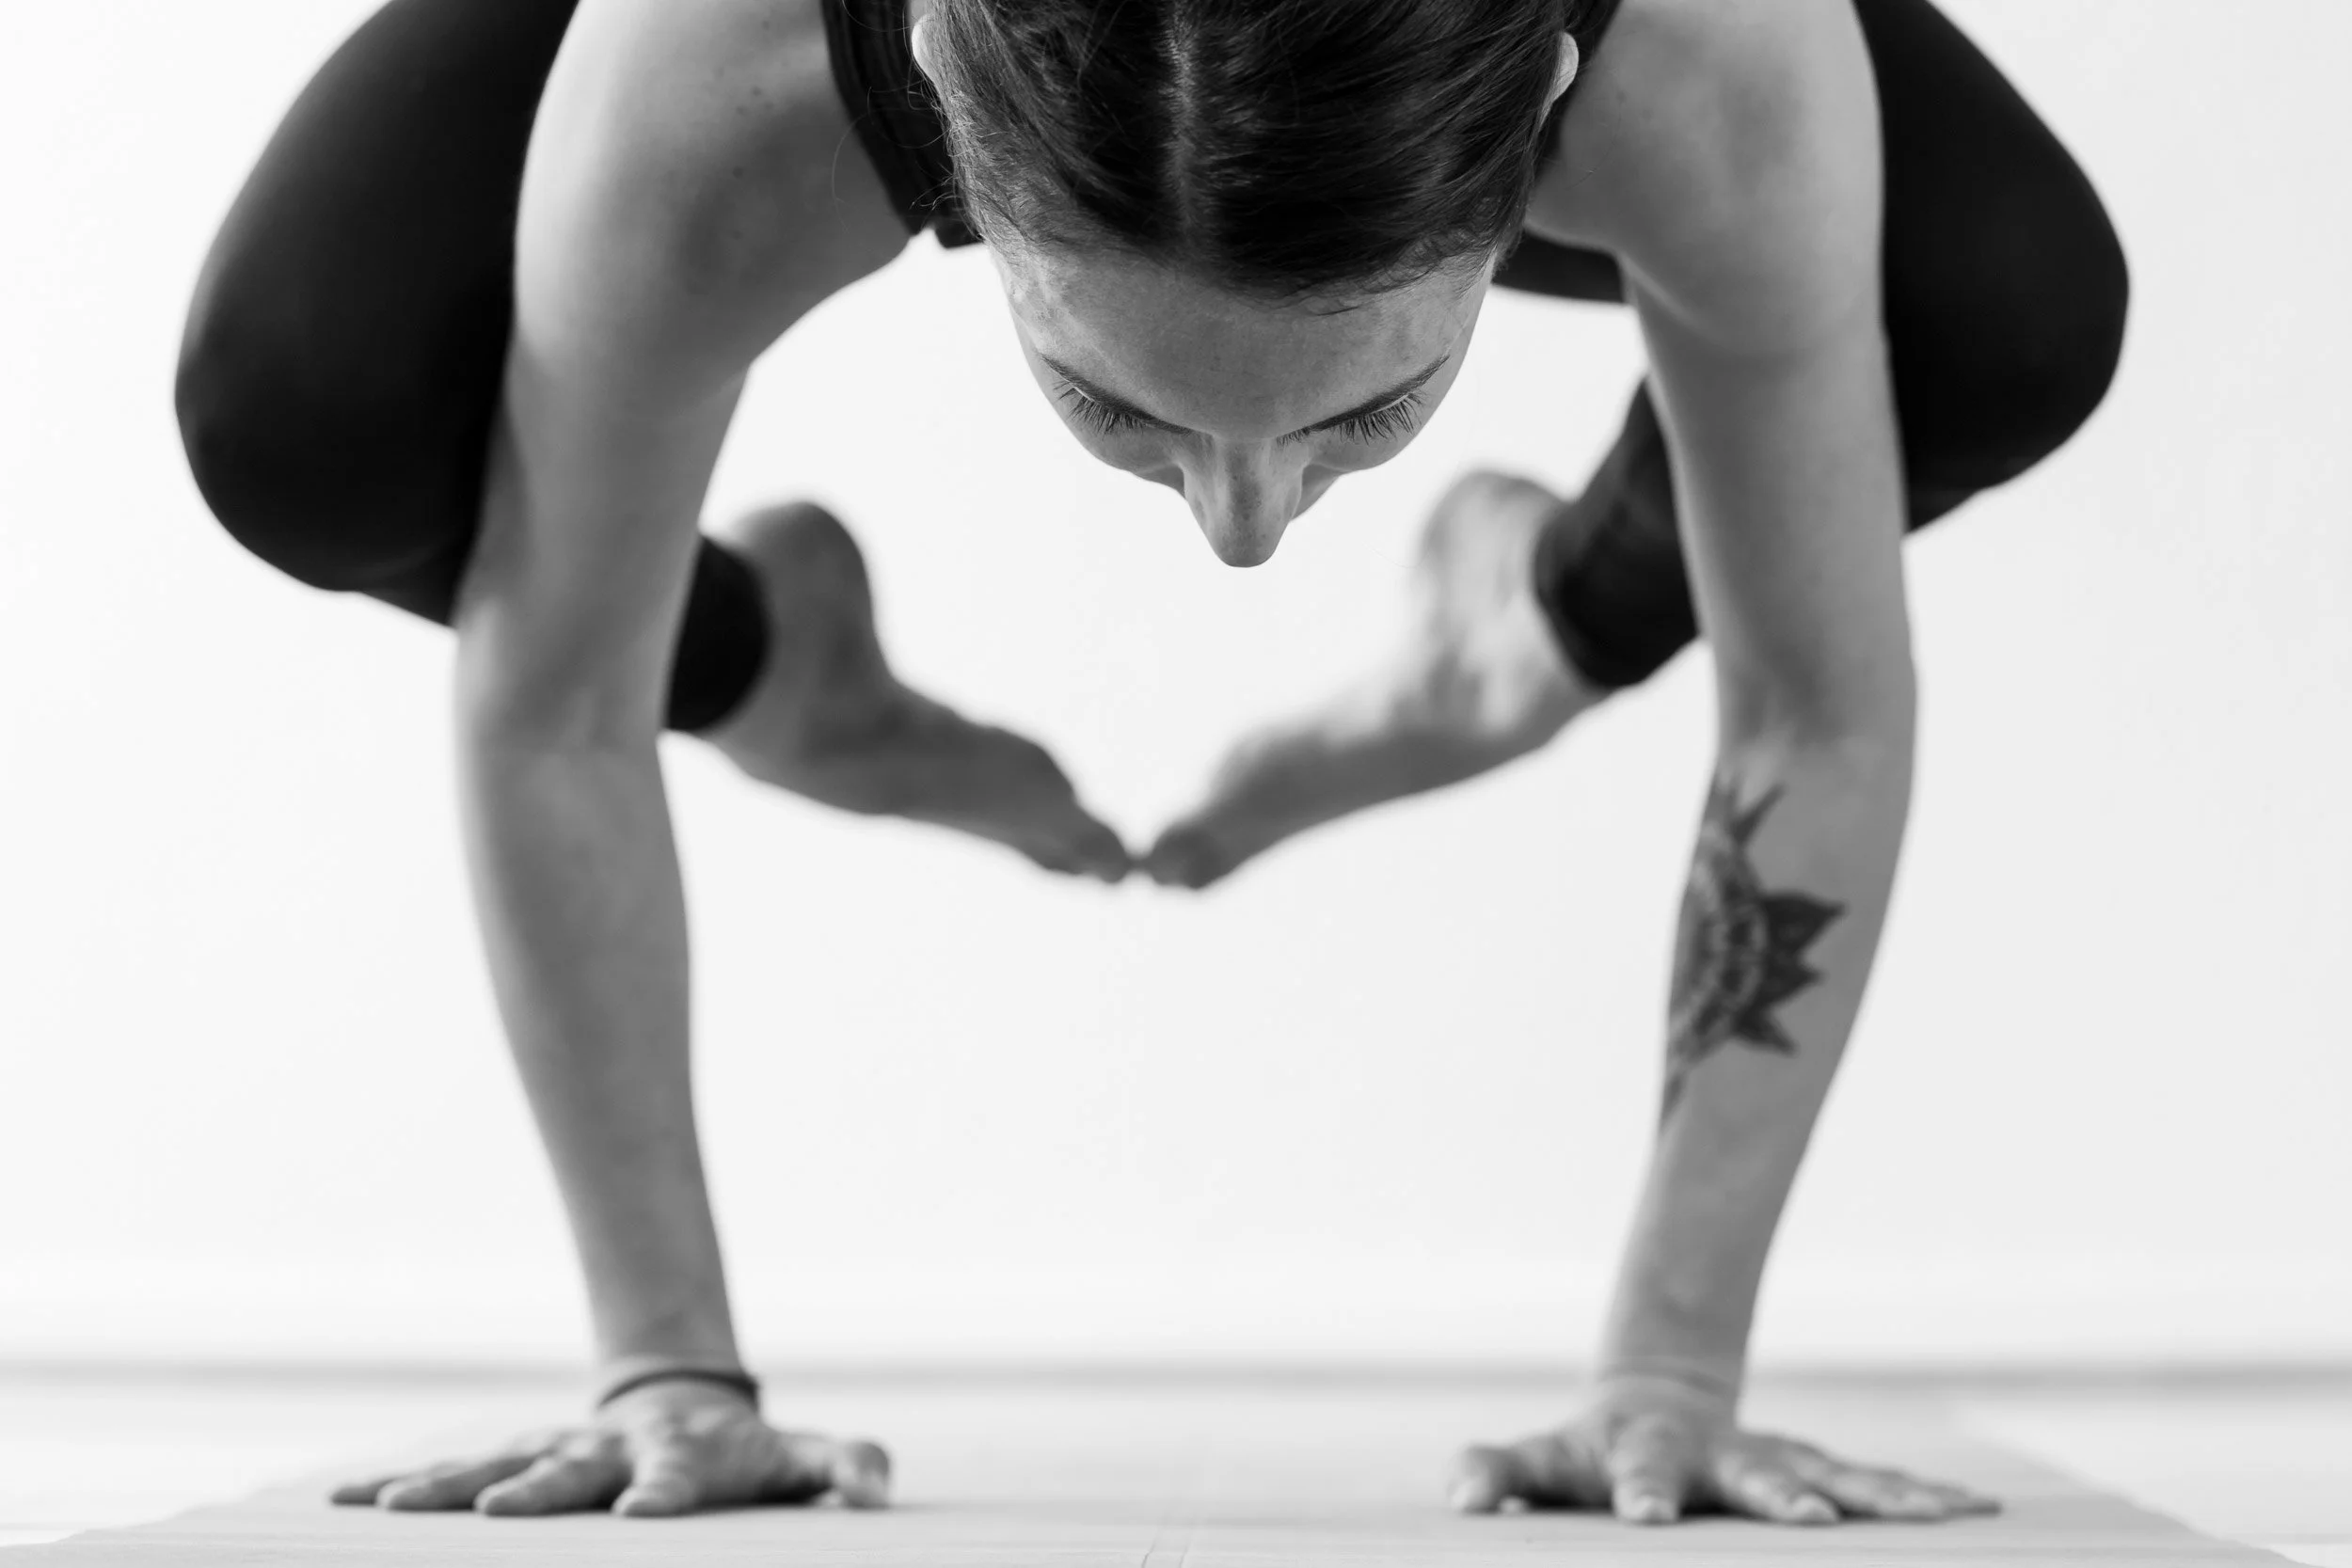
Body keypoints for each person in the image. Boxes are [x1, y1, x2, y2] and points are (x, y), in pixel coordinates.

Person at [173, 0, 2127, 1528]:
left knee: (2001, 313)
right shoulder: (716, 78)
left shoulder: (1706, 59)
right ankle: (791, 667)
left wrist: (1671, 1374)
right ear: (929, 82)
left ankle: (1523, 620)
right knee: (301, 407)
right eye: (1111, 399)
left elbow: (1816, 702)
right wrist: (659, 1367)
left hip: (1595, 82)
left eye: (1370, 413)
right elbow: (554, 700)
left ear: (1543, 105)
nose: (1244, 529)